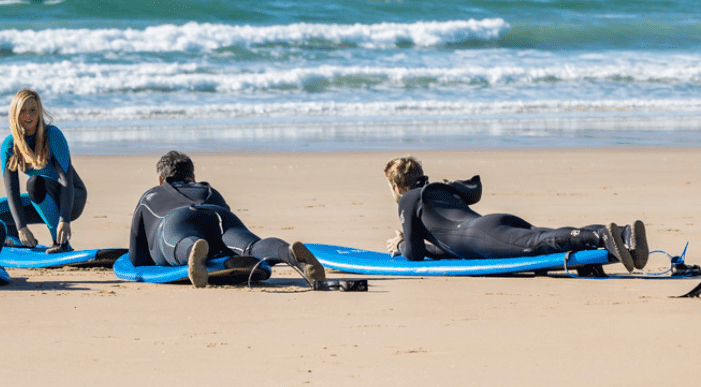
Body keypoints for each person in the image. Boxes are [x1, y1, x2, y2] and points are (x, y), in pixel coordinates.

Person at [384, 155, 648, 271]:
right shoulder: (438, 190)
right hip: (492, 225)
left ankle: (603, 236)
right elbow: (448, 248)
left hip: (481, 236)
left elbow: (415, 256)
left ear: (396, 185)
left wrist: (401, 242)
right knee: (546, 235)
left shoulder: (408, 199)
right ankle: (623, 234)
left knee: (541, 243)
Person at [127, 150, 326, 289]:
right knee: (250, 246)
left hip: (176, 220)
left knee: (177, 242)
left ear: (161, 179)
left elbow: (138, 258)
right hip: (218, 214)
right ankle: (289, 252)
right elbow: (227, 247)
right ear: (193, 176)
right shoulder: (210, 191)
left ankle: (191, 251)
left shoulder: (151, 195)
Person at [0, 89, 86, 252]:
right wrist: (21, 227)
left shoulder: (52, 135)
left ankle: (61, 243)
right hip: (40, 196)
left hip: (71, 197)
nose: (29, 116)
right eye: (23, 111)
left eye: (33, 110)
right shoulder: (10, 145)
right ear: (15, 113)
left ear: (39, 112)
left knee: (34, 183)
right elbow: (12, 190)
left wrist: (65, 219)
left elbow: (65, 180)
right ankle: (17, 239)